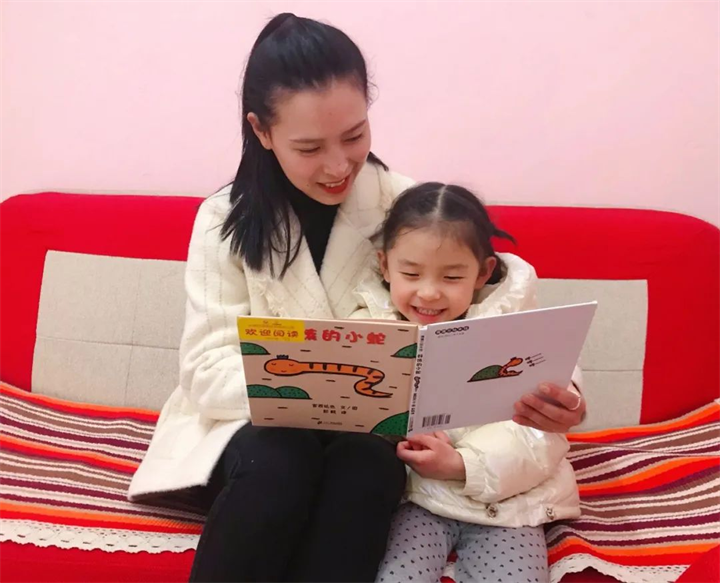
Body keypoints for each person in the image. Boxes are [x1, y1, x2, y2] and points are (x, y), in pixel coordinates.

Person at [127, 13, 585, 583]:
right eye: (309, 147)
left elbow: (494, 310)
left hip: (367, 437)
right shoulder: (224, 220)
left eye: (354, 136)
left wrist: (557, 395)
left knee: (369, 465)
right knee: (282, 460)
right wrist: (324, 387)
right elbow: (205, 368)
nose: (339, 165)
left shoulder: (404, 205)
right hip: (250, 428)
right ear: (262, 131)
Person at [350, 183, 581, 583]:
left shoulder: (521, 324)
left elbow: (543, 434)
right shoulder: (365, 327)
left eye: (452, 276)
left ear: (483, 272)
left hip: (508, 504)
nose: (428, 292)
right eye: (410, 273)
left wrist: (464, 466)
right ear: (384, 266)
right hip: (414, 500)